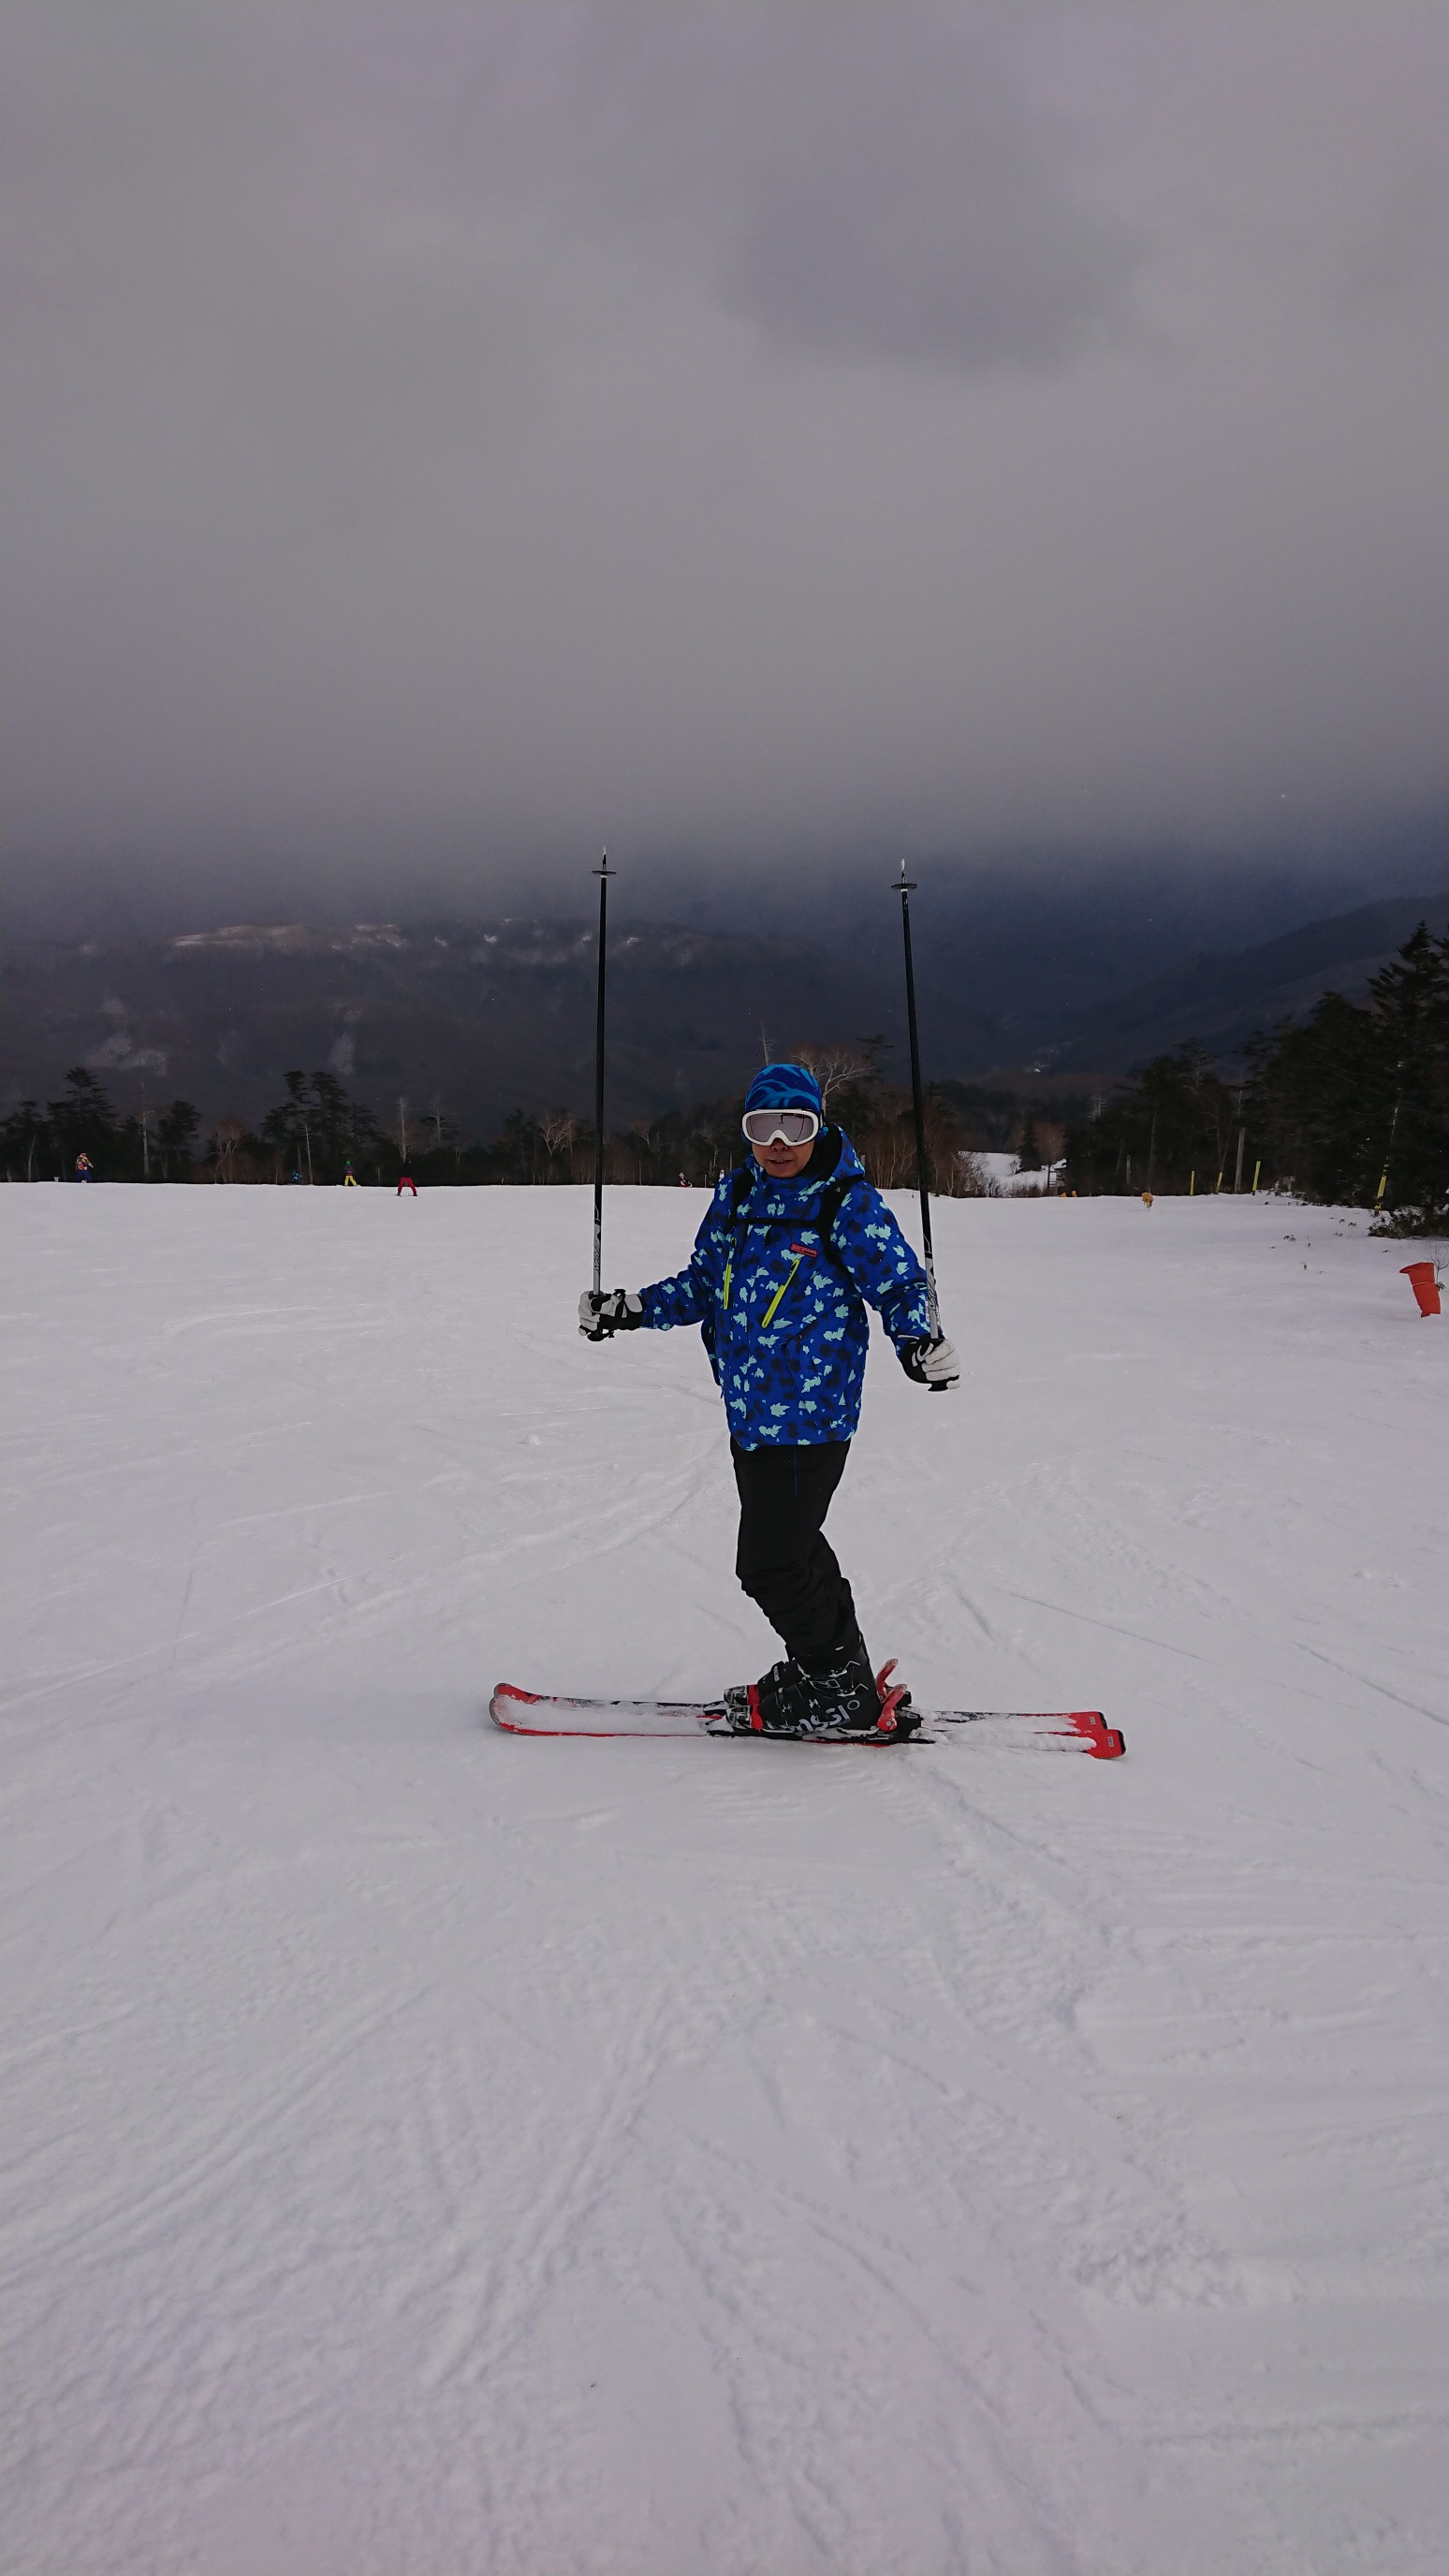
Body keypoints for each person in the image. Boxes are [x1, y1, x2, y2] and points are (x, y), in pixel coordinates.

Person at [579, 1062, 959, 1738]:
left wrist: (918, 1345)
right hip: (751, 1414)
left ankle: (834, 1687)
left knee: (770, 1563)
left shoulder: (844, 1203)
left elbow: (899, 1285)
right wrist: (630, 1309)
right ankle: (837, 1674)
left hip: (812, 1419)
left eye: (796, 1125)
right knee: (797, 1552)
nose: (779, 1142)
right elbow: (701, 1285)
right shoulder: (735, 1195)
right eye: (763, 1126)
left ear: (819, 1126)